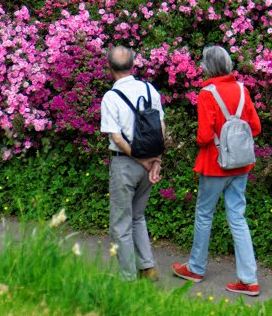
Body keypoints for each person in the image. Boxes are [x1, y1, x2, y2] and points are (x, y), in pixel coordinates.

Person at [172, 45, 262, 296]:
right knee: (238, 217)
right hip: (241, 164)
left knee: (204, 215)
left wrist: (215, 139)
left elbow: (203, 136)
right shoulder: (243, 90)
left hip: (214, 164)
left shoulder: (207, 93)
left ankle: (196, 267)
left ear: (209, 67)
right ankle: (249, 279)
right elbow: (255, 127)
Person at [99, 45, 165, 280]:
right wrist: (155, 160)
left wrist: (140, 158)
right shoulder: (149, 90)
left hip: (124, 164)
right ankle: (148, 267)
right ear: (133, 64)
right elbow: (160, 127)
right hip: (148, 164)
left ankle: (127, 277)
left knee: (121, 222)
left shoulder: (111, 97)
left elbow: (115, 136)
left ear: (110, 68)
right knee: (138, 216)